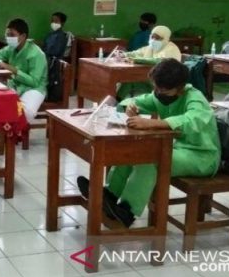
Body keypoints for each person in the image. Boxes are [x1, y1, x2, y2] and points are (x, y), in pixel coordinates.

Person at [77, 59, 221, 227]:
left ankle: (127, 212)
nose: (158, 93)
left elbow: (192, 121)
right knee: (132, 152)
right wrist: (130, 107)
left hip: (202, 156)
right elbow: (139, 101)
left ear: (180, 89)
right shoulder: (160, 94)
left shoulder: (195, 98)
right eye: (156, 88)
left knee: (151, 160)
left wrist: (153, 123)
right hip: (176, 149)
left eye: (163, 90)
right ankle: (109, 195)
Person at [0, 19, 48, 123]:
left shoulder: (36, 54)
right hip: (15, 84)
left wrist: (11, 69)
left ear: (22, 36)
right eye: (7, 34)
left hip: (33, 88)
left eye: (12, 35)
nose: (8, 38)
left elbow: (34, 81)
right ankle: (4, 132)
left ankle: (16, 134)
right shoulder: (11, 48)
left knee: (26, 112)